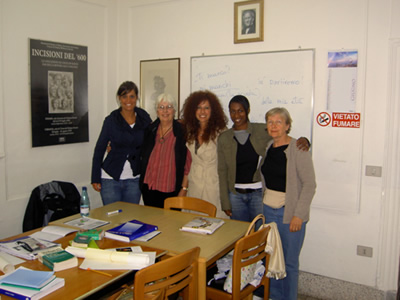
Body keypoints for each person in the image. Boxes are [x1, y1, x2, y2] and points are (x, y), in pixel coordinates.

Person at [217, 95, 309, 222]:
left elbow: (282, 136)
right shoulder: (224, 138)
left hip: (258, 195)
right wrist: (225, 202)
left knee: (260, 234)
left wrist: (304, 140)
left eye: (240, 110)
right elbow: (222, 171)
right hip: (235, 195)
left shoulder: (261, 130)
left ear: (248, 110)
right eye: (232, 111)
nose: (236, 115)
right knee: (240, 235)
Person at [260, 107, 316, 300]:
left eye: (278, 122)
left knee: (290, 264)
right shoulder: (269, 147)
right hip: (269, 212)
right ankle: (275, 296)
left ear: (287, 126)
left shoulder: (298, 149)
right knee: (273, 260)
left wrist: (298, 215)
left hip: (290, 214)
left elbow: (310, 185)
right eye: (270, 122)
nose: (274, 126)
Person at [91, 81, 151, 205]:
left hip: (134, 178)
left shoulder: (144, 117)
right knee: (113, 219)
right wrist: (95, 177)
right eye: (124, 96)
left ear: (137, 97)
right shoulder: (111, 120)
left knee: (130, 219)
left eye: (132, 96)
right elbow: (99, 149)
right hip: (110, 178)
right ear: (119, 98)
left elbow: (152, 139)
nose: (128, 100)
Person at [139, 93, 192, 208]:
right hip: (149, 187)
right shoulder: (150, 130)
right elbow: (140, 151)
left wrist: (184, 189)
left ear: (174, 111)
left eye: (169, 107)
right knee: (151, 221)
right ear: (157, 111)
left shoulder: (182, 132)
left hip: (171, 190)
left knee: (170, 224)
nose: (165, 111)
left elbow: (188, 165)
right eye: (161, 107)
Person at [181, 90, 228, 218]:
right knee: (192, 225)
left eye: (206, 108)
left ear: (213, 110)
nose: (202, 112)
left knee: (214, 226)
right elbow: (188, 163)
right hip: (194, 185)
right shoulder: (190, 131)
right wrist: (184, 189)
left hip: (213, 187)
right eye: (199, 108)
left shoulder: (222, 133)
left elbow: (227, 166)